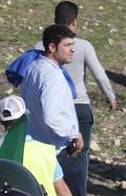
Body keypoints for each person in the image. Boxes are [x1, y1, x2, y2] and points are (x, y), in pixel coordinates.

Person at [52, 0, 117, 196]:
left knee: (53, 163)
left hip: (53, 110)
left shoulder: (44, 44)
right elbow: (98, 73)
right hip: (79, 106)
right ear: (74, 22)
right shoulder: (83, 45)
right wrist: (110, 96)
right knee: (80, 164)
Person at [20, 23, 83, 155]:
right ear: (52, 47)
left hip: (33, 142)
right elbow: (51, 116)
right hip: (53, 149)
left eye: (72, 45)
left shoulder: (34, 66)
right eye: (67, 45)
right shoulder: (53, 76)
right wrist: (74, 134)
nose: (72, 50)